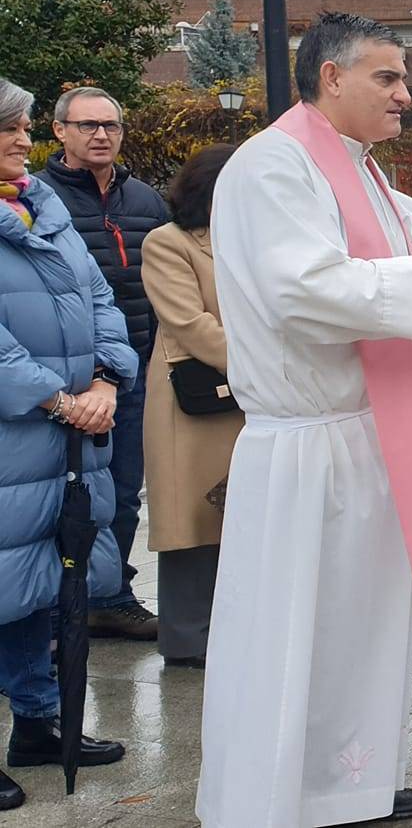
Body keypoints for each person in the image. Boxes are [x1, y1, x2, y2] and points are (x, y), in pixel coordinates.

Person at [199, 11, 412, 826]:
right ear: (331, 77)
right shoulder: (273, 166)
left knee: (361, 630)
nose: (406, 94)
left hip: (365, 429)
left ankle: (352, 782)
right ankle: (276, 797)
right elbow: (303, 289)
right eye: (389, 77)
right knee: (295, 631)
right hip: (307, 443)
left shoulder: (363, 169)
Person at [0, 77, 136, 813]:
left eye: (25, 129)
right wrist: (58, 399)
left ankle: (36, 723)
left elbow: (100, 298)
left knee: (33, 589)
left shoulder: (39, 209)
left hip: (61, 440)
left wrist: (109, 379)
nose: (27, 142)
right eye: (12, 130)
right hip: (20, 432)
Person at [43, 85, 165, 641]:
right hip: (62, 377)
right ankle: (48, 604)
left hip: (134, 366)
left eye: (111, 126)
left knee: (121, 490)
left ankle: (111, 595)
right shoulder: (38, 200)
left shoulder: (143, 198)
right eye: (88, 125)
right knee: (55, 494)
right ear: (59, 131)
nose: (101, 135)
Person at [139, 144, 242, 669]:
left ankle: (231, 632)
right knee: (191, 522)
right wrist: (262, 360)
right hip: (194, 397)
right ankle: (186, 638)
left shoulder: (251, 239)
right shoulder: (168, 242)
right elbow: (188, 322)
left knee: (237, 517)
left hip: (249, 395)